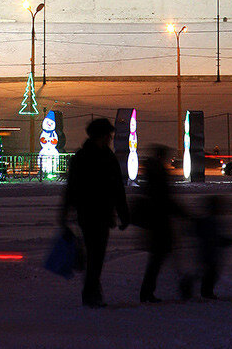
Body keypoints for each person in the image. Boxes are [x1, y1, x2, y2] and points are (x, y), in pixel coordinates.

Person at [62, 116, 129, 308]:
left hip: (88, 214)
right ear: (101, 136)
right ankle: (91, 294)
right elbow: (117, 189)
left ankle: (92, 292)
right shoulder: (107, 158)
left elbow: (71, 188)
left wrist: (65, 212)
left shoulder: (81, 157)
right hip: (96, 214)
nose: (110, 138)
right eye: (108, 134)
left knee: (95, 255)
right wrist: (123, 213)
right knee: (96, 255)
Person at [136, 144, 187, 302]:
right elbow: (165, 199)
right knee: (159, 258)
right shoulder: (158, 175)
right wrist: (182, 214)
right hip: (160, 223)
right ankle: (148, 292)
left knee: (158, 259)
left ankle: (148, 292)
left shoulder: (151, 174)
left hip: (155, 222)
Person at [193, 193, 232, 298]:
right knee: (211, 273)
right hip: (209, 253)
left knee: (209, 273)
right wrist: (227, 241)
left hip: (208, 252)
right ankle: (206, 292)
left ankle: (206, 291)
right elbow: (214, 238)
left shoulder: (207, 221)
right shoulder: (211, 222)